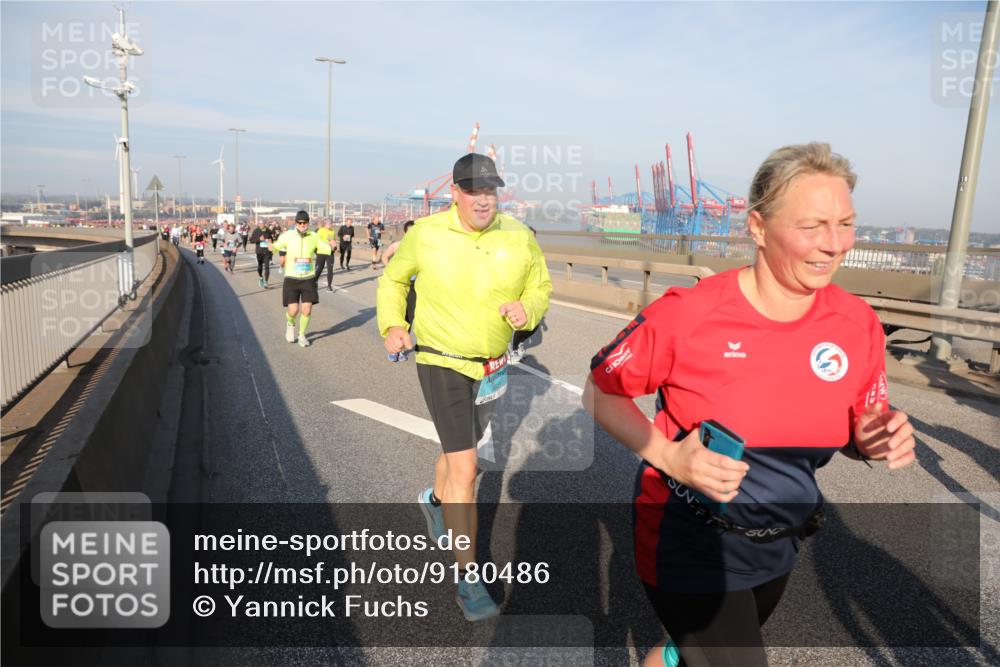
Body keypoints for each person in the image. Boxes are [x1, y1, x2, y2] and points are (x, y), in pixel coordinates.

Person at [582, 143, 917, 667]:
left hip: (777, 542)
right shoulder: (690, 315)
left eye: (846, 224)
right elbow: (600, 391)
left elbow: (860, 424)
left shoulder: (857, 324)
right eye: (812, 226)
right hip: (687, 540)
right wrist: (671, 458)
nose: (834, 245)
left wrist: (874, 438)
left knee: (686, 653)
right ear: (758, 228)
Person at [377, 153, 552, 621]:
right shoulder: (426, 235)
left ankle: (433, 500)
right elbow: (393, 281)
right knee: (467, 467)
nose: (482, 200)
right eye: (473, 191)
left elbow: (541, 286)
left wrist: (527, 310)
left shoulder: (517, 235)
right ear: (455, 192)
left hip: (492, 366)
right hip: (441, 360)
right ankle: (469, 578)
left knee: (462, 451)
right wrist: (393, 325)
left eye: (489, 190)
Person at [273, 210, 332, 347]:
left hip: (308, 278)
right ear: (296, 223)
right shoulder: (288, 235)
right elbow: (277, 246)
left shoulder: (313, 236)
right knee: (293, 310)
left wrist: (332, 247)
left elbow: (323, 247)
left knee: (307, 309)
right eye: (299, 223)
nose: (302, 225)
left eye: (304, 223)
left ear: (308, 223)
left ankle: (301, 335)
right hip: (291, 278)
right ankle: (290, 323)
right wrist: (270, 247)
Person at [382, 220, 416, 362]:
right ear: (406, 232)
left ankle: (400, 349)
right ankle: (394, 349)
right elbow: (384, 257)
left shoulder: (421, 248)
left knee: (408, 318)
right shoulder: (397, 246)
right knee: (397, 317)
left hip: (414, 287)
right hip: (399, 286)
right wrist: (392, 270)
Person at [249, 219, 277, 288]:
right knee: (260, 267)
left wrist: (271, 241)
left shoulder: (268, 231)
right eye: (259, 224)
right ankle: (261, 277)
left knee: (267, 267)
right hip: (259, 252)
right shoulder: (256, 231)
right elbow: (251, 240)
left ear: (265, 224)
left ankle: (266, 282)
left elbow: (271, 239)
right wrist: (259, 239)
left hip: (267, 251)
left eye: (262, 224)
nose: (261, 225)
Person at [315, 219, 338, 292]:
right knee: (319, 269)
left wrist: (335, 247)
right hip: (321, 252)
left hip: (330, 253)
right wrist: (328, 242)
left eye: (331, 223)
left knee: (330, 270)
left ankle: (329, 286)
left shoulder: (332, 231)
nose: (331, 225)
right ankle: (314, 282)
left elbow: (334, 241)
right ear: (325, 224)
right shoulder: (320, 231)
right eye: (329, 224)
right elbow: (317, 241)